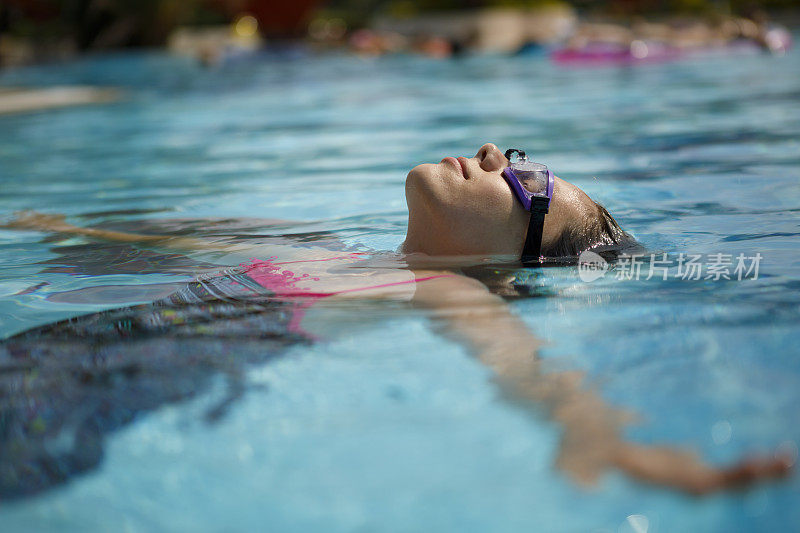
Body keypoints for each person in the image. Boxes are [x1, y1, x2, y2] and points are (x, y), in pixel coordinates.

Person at [0, 143, 790, 498]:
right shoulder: (325, 247)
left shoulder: (445, 289)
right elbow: (164, 244)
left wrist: (604, 438)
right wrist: (58, 231)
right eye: (511, 151)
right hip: (50, 353)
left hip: (83, 399)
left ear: (514, 262)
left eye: (524, 180)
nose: (491, 152)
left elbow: (526, 369)